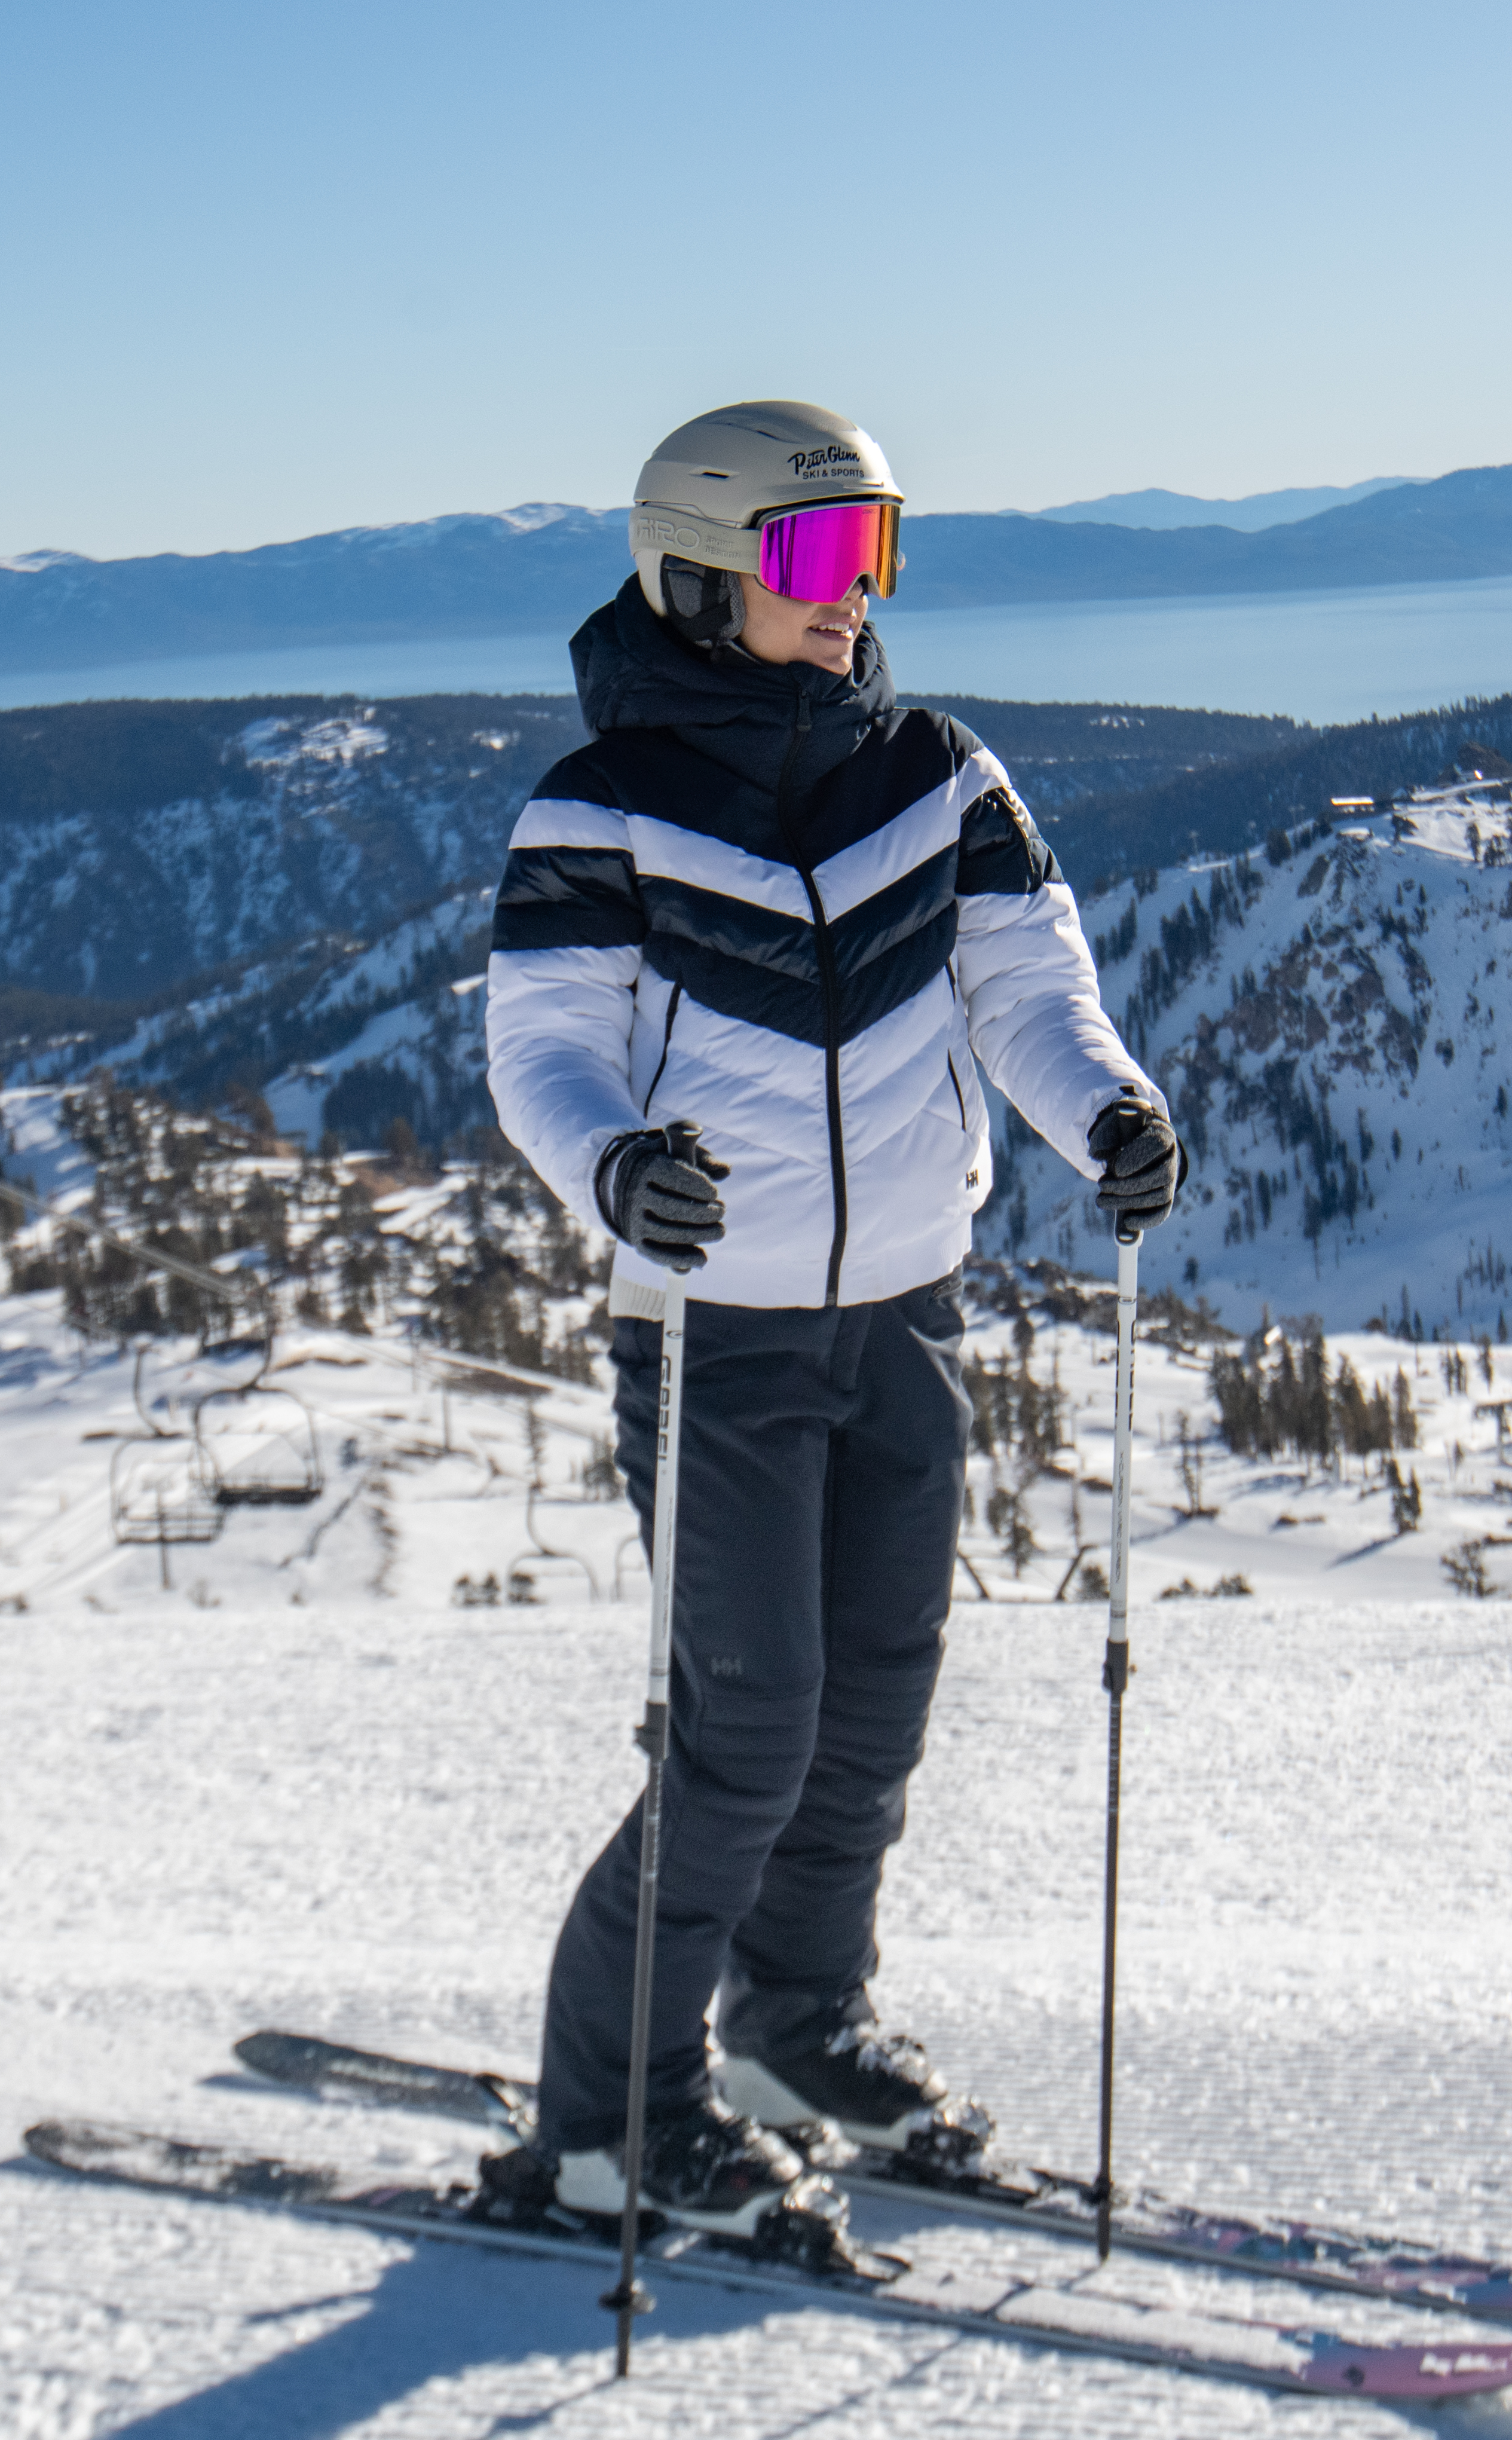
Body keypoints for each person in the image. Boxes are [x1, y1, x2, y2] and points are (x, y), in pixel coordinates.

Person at [479, 398, 1183, 2234]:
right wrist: (614, 1167)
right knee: (745, 1732)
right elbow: (543, 1050)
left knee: (872, 1706)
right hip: (713, 1337)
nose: (853, 594)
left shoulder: (932, 772)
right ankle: (603, 2116)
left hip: (904, 1315)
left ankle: (796, 2028)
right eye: (812, 558)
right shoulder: (601, 810)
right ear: (699, 577)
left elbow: (1027, 980)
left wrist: (1099, 1106)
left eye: (877, 552)